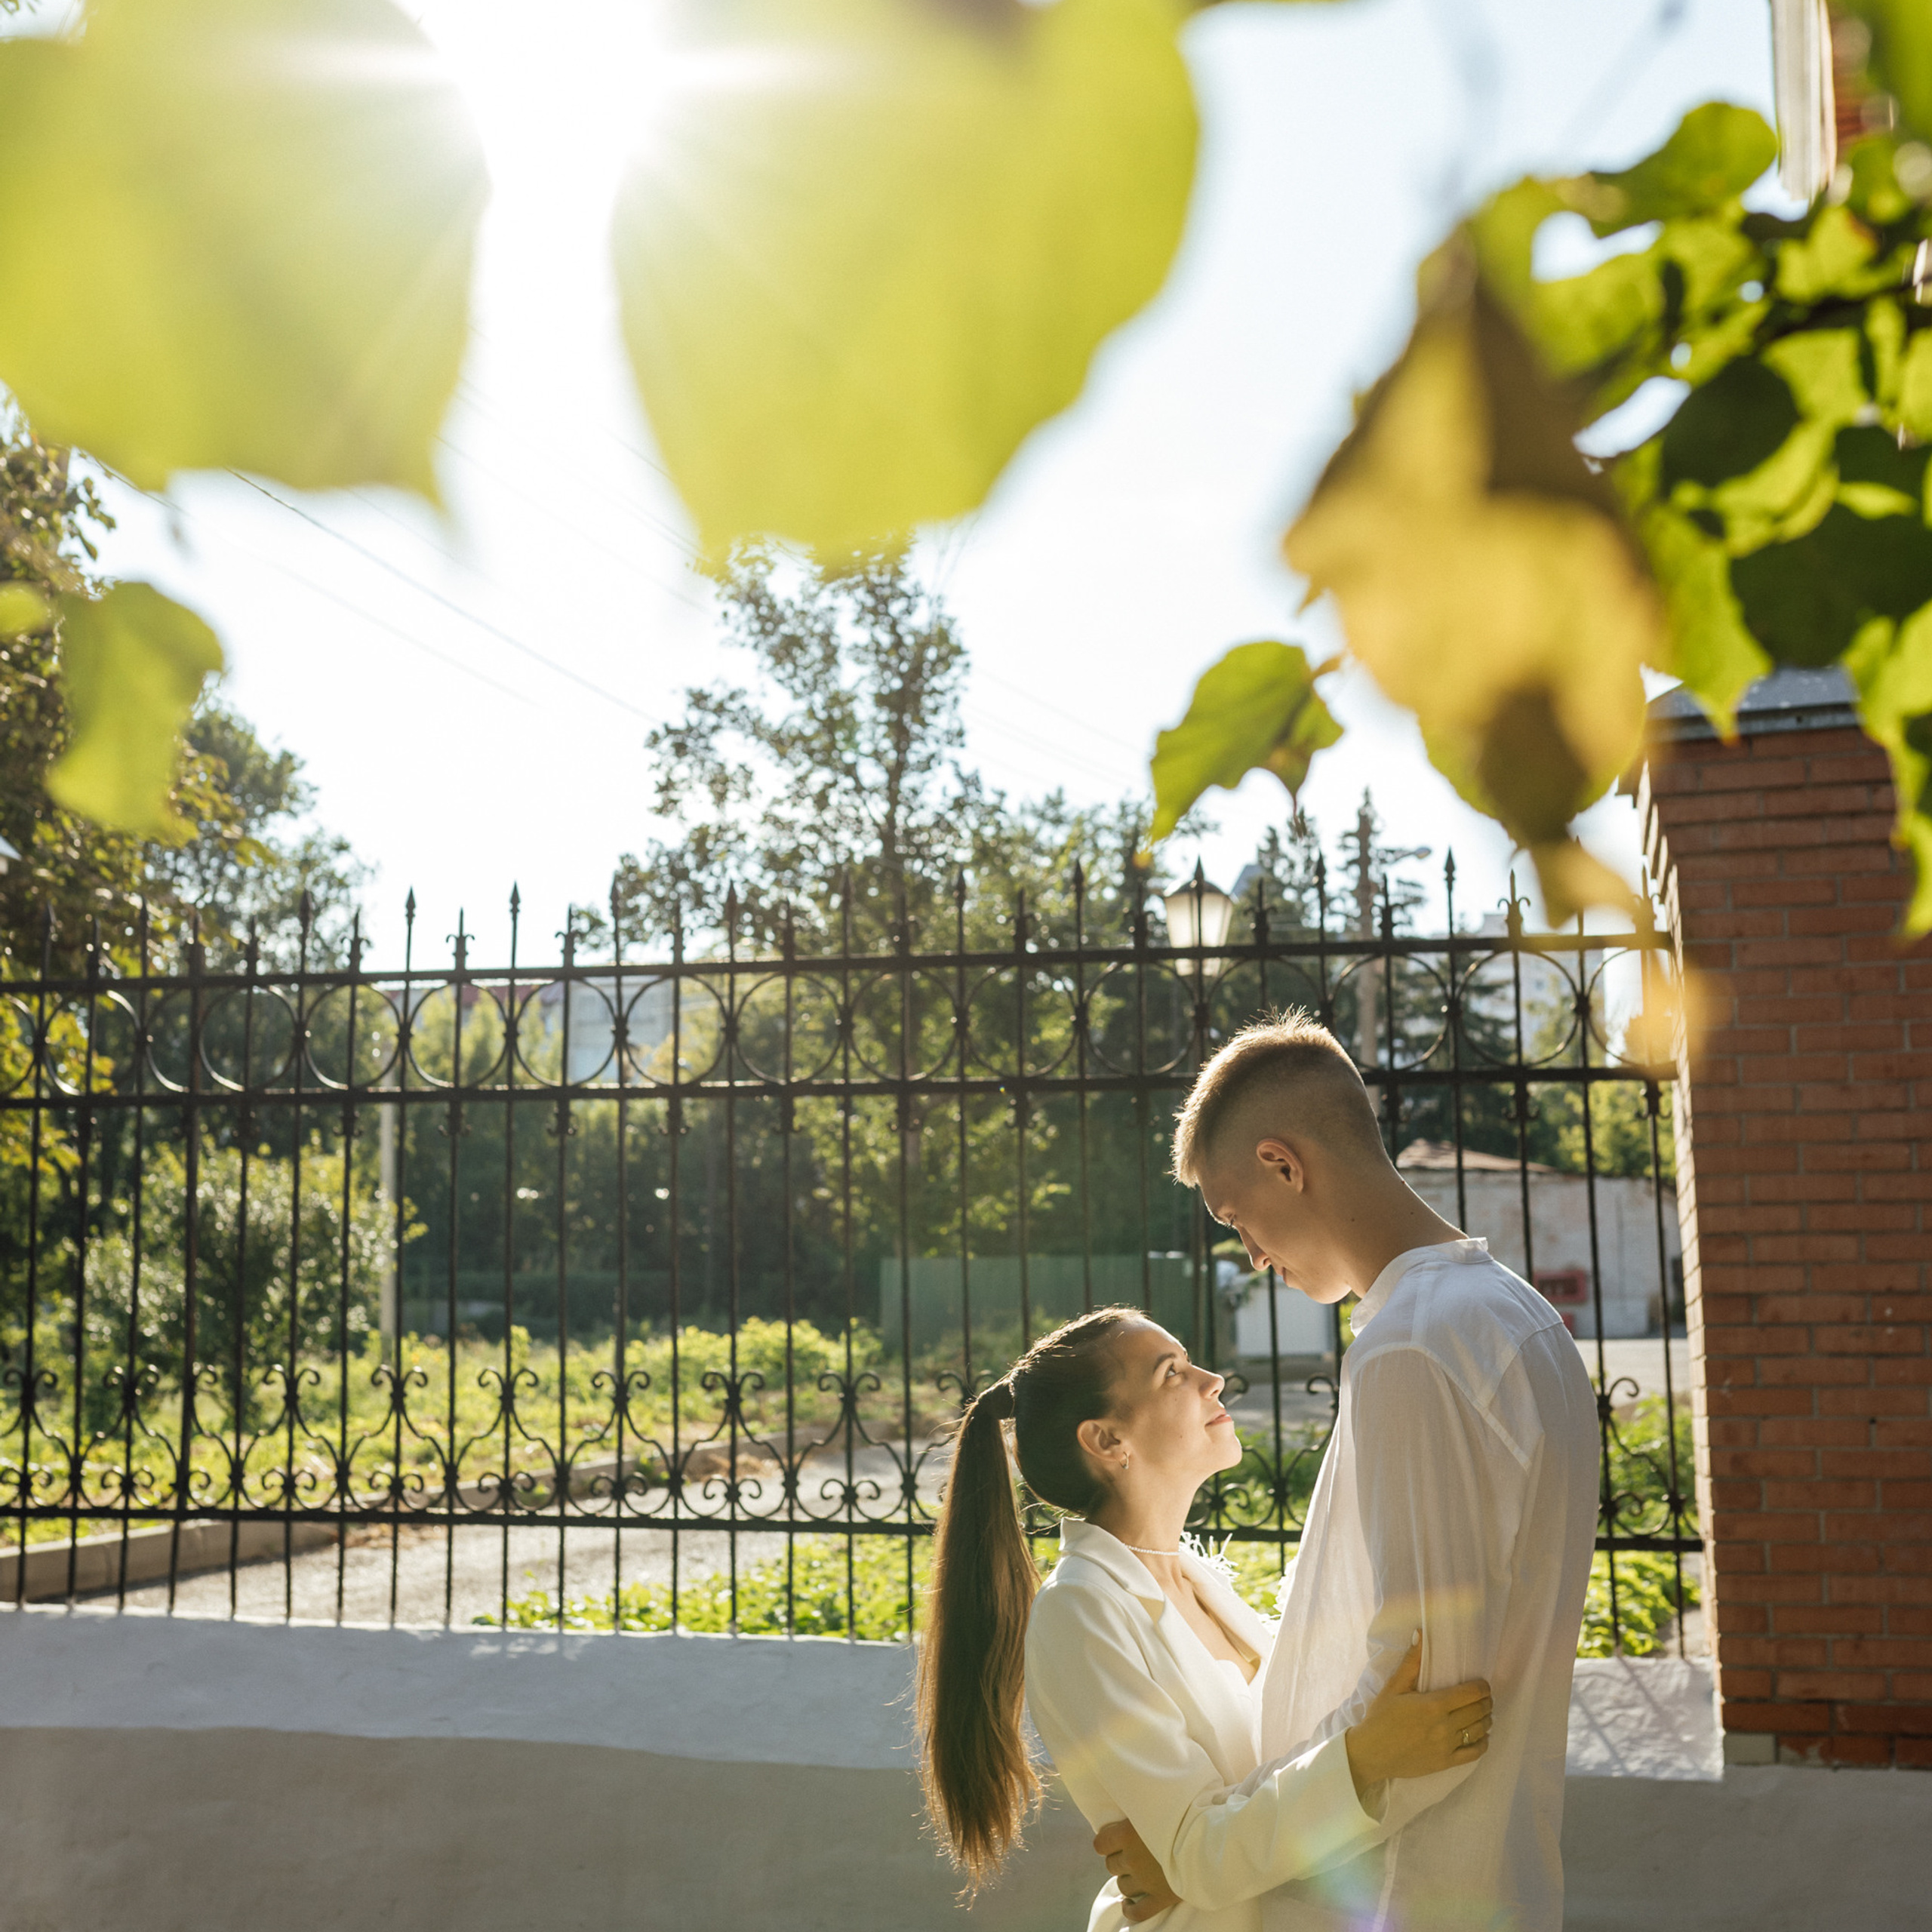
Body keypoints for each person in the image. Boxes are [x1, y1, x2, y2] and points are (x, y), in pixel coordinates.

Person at [1097, 1013, 1598, 1931]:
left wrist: (1203, 1865)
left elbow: (1425, 1721)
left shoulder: (1414, 1344)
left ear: (1284, 1164)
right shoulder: (1511, 1314)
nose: (1247, 1250)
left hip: (1387, 1894)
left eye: (1233, 1210)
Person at [915, 1304, 1497, 1930]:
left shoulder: (1196, 1581)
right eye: (1173, 1373)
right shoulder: (1079, 1611)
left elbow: (1236, 1810)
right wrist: (1363, 1760)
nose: (1212, 1380)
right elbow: (1201, 1851)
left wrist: (1184, 1861)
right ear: (1107, 1440)